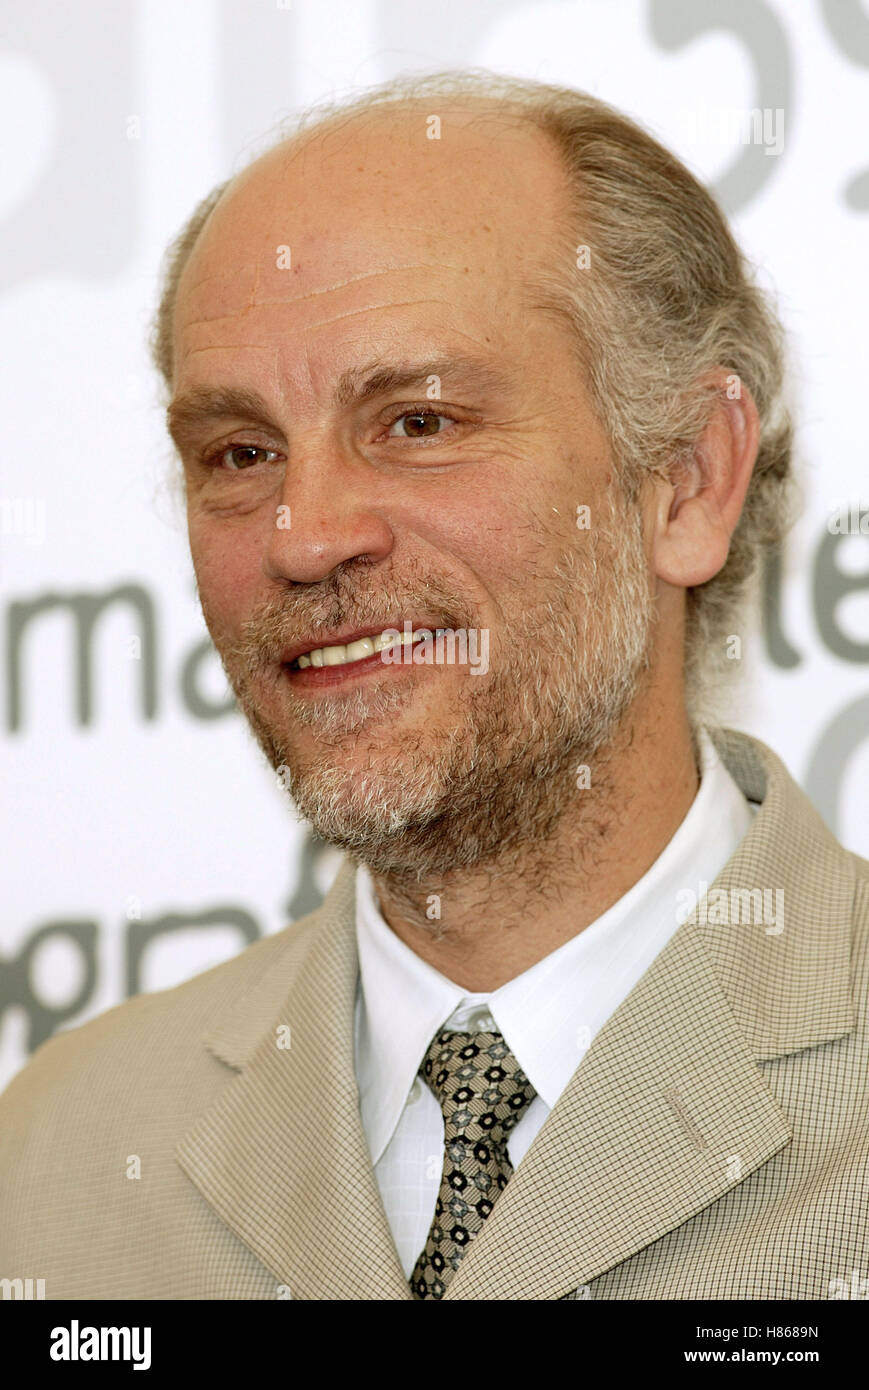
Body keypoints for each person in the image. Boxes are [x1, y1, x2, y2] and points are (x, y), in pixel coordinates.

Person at [1, 71, 866, 1302]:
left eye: (416, 421)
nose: (302, 536)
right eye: (239, 454)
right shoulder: (56, 1163)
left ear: (685, 480)